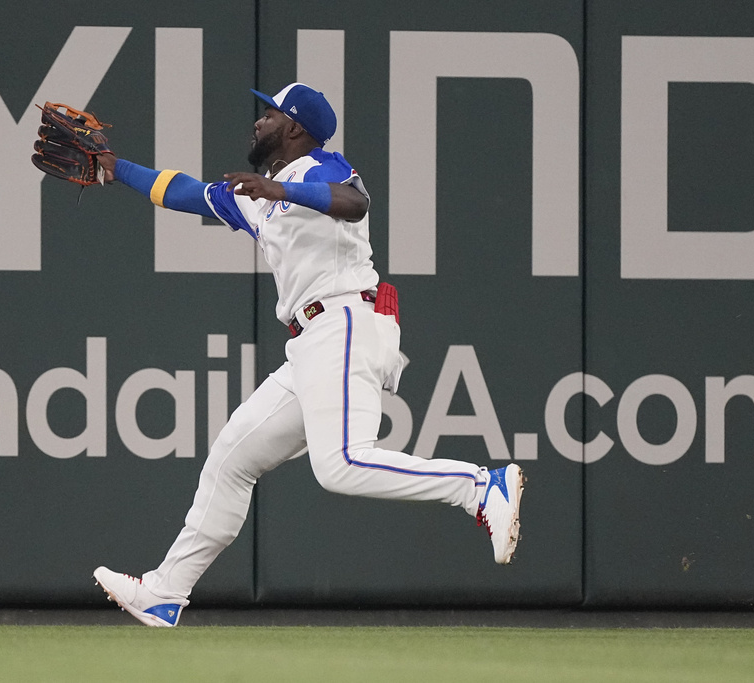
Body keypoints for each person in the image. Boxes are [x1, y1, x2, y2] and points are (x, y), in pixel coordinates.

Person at [90, 83, 525, 627]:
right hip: (313, 343)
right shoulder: (258, 195)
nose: (259, 121)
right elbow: (184, 192)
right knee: (232, 458)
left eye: (270, 113)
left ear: (294, 128)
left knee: (341, 464)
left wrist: (279, 191)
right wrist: (115, 167)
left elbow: (355, 202)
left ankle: (480, 487)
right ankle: (164, 591)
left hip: (345, 321)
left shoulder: (321, 165)